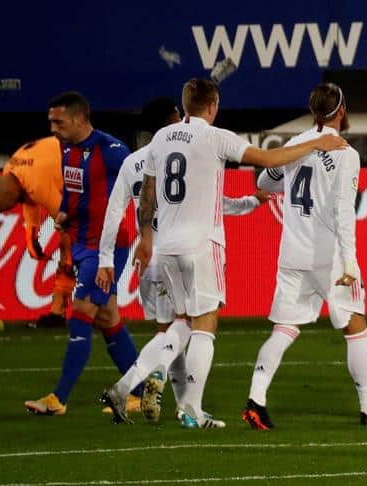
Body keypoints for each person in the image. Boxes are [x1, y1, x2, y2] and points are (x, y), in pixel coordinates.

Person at [123, 78, 347, 428]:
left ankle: (145, 378)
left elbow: (148, 194)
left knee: (180, 322)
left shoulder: (161, 139)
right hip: (201, 245)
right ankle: (191, 408)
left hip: (164, 246)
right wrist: (318, 142)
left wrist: (145, 237)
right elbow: (270, 159)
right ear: (213, 107)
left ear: (184, 106)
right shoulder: (215, 136)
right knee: (205, 326)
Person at [96, 97, 270, 424]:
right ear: (177, 116)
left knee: (171, 331)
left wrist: (106, 258)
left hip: (150, 260)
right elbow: (216, 203)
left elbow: (113, 212)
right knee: (186, 328)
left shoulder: (133, 162)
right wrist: (251, 202)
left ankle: (178, 404)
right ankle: (158, 390)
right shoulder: (188, 152)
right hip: (186, 250)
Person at [242, 83, 367, 430]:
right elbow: (345, 210)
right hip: (327, 257)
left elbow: (266, 182)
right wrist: (351, 261)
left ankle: (256, 399)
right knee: (354, 325)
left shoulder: (294, 142)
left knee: (284, 329)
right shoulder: (345, 153)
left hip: (292, 252)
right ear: (342, 111)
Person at [23, 92, 141, 416]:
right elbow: (72, 191)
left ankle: (58, 398)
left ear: (78, 119)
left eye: (58, 122)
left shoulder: (113, 150)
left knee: (81, 313)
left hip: (106, 248)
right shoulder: (66, 148)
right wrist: (62, 213)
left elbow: (144, 184)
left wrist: (151, 233)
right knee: (108, 318)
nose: (53, 128)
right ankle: (140, 393)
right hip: (81, 244)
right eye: (50, 122)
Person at [0, 137, 74, 328]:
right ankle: (61, 313)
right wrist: (32, 238)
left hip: (92, 171)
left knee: (72, 251)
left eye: (7, 206)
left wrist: (67, 254)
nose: (11, 208)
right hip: (71, 166)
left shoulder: (37, 183)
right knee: (73, 251)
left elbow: (68, 220)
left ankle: (68, 311)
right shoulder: (11, 171)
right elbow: (27, 200)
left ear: (8, 195)